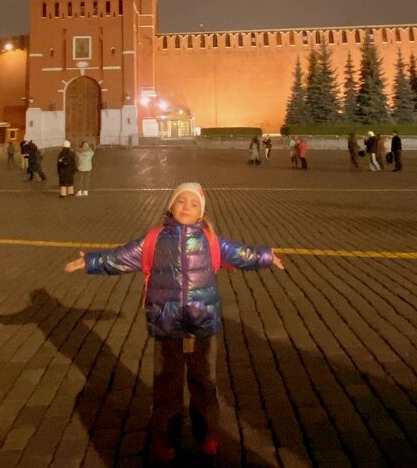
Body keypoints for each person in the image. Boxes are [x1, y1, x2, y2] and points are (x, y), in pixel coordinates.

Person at [64, 182, 284, 463]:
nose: (187, 208)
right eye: (181, 201)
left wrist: (266, 256)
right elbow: (122, 256)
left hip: (202, 323)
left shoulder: (210, 239)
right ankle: (165, 440)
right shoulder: (154, 239)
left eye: (193, 204)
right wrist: (92, 261)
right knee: (166, 386)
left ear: (201, 212)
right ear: (171, 206)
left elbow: (240, 254)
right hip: (166, 324)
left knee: (204, 383)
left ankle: (208, 436)